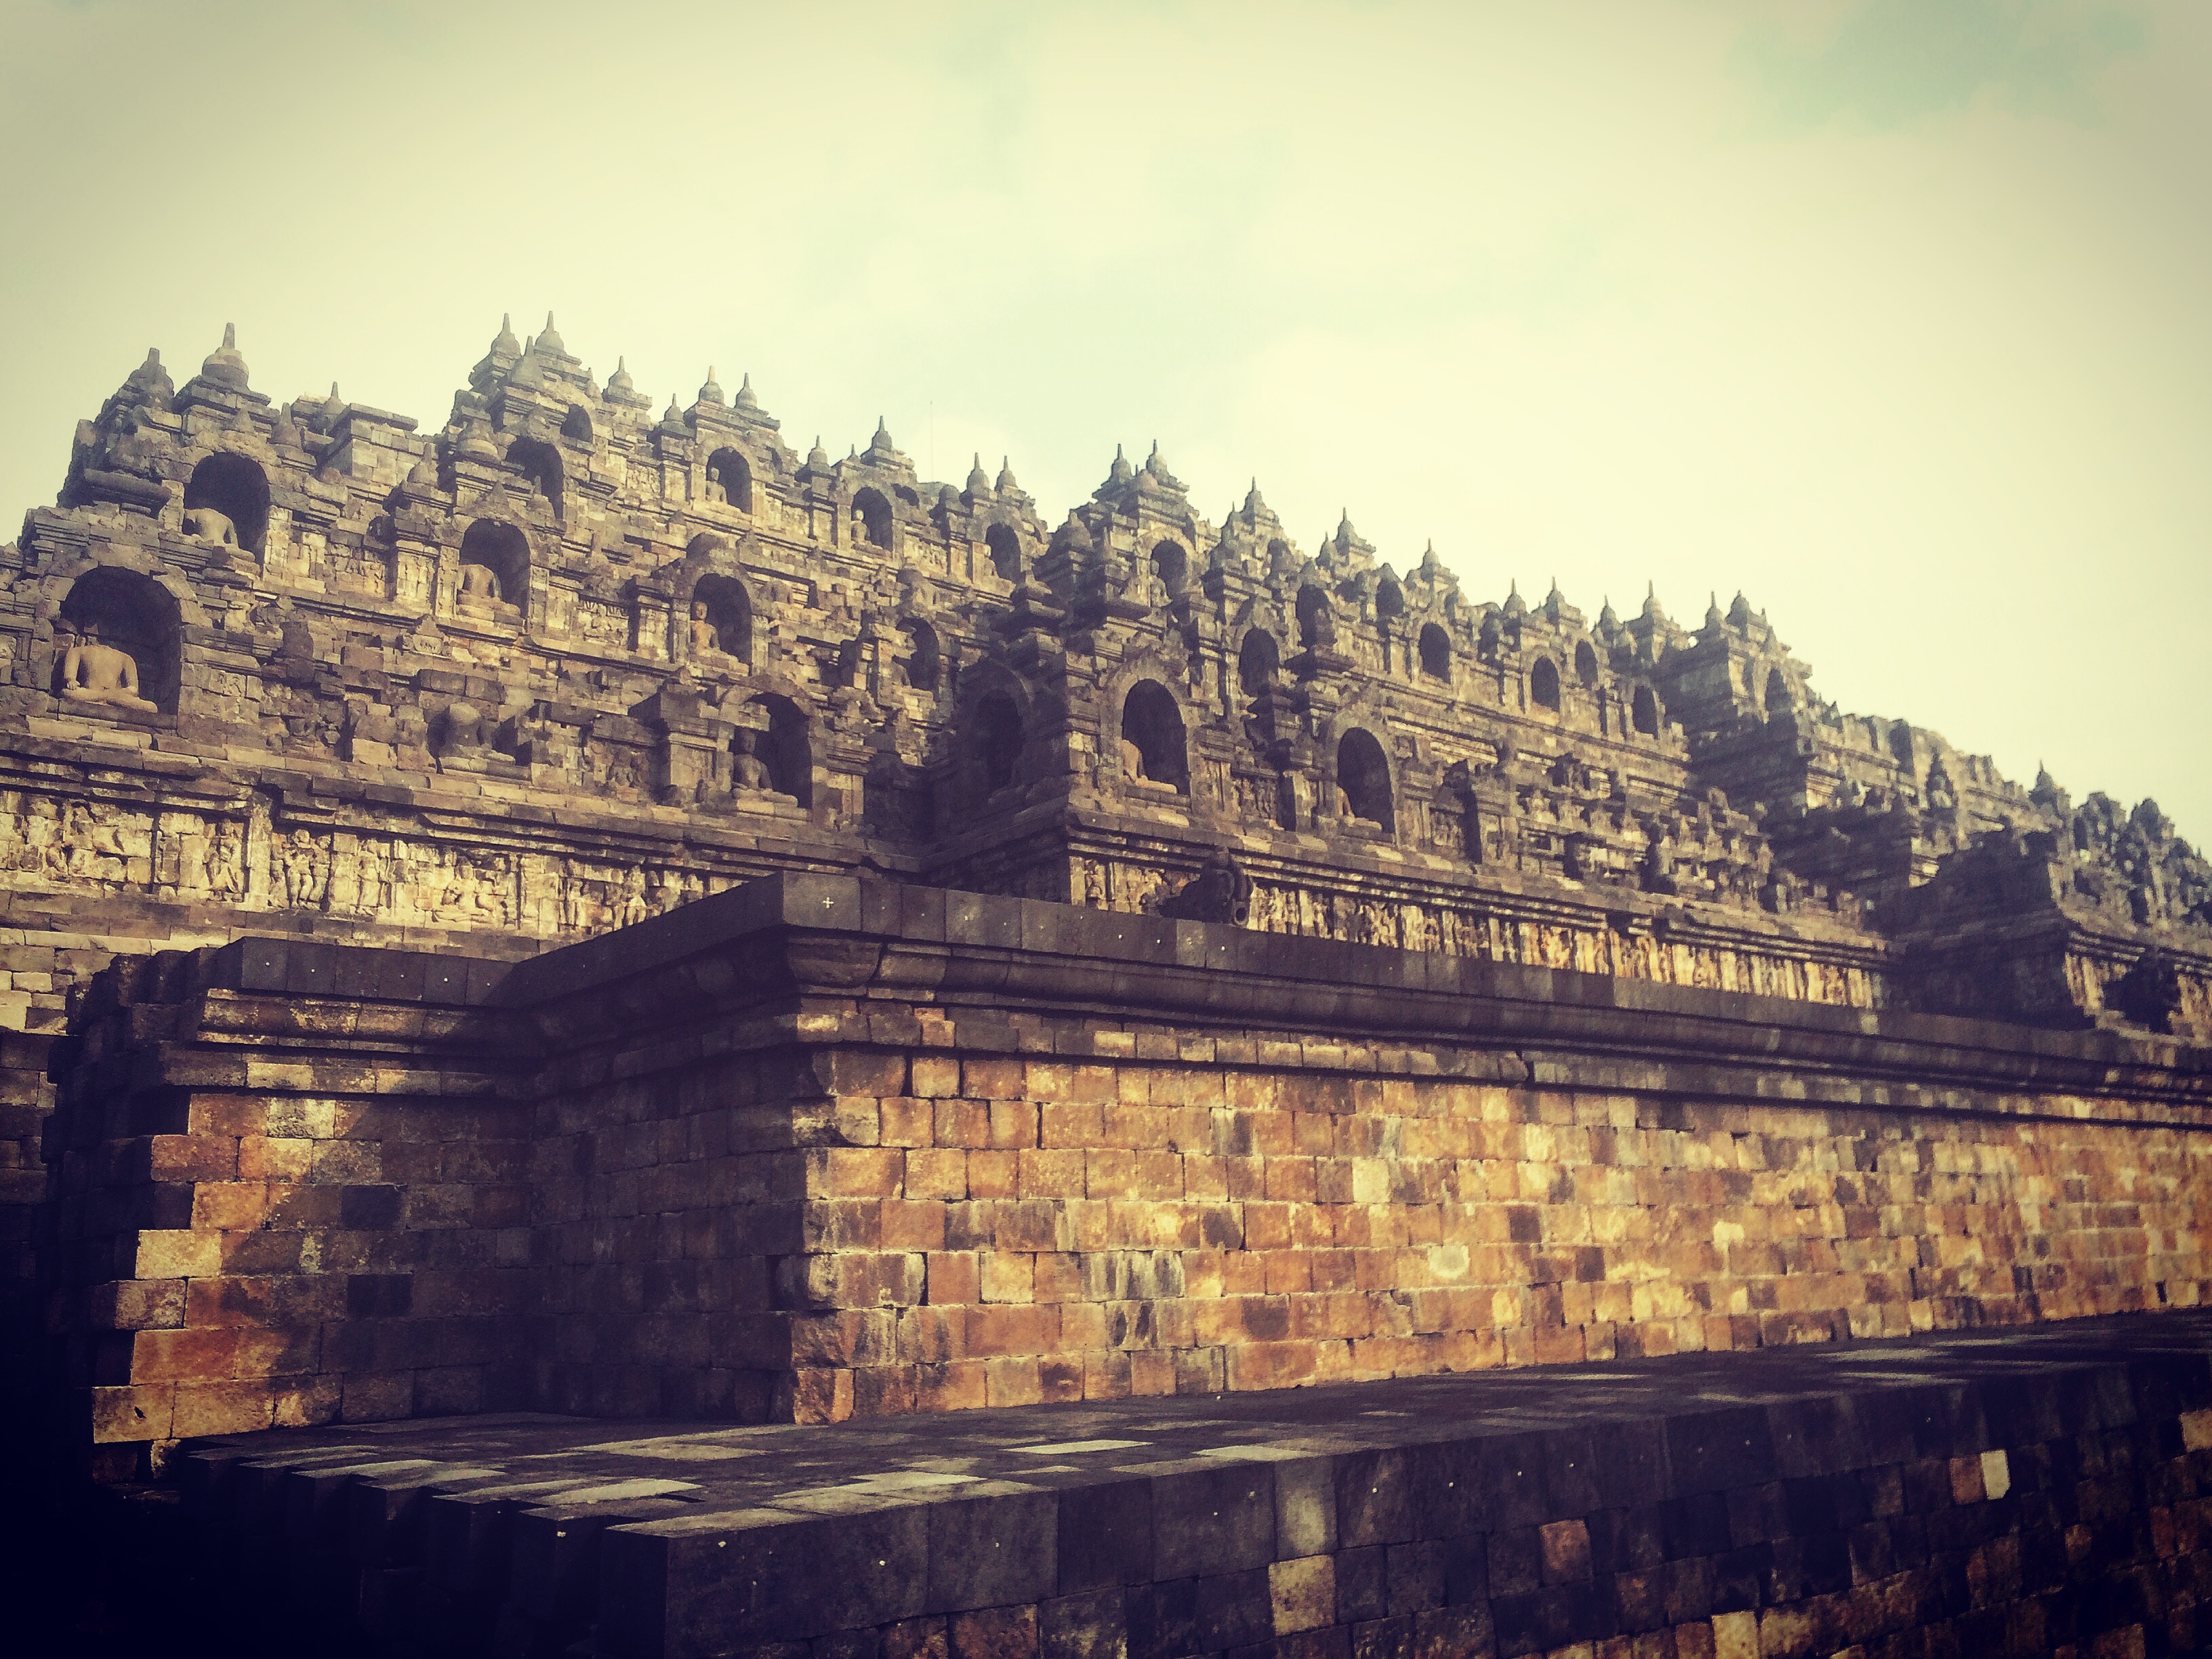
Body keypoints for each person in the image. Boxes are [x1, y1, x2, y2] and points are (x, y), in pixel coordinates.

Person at [60, 622, 157, 712]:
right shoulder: (77, 651)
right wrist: (71, 681)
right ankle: (104, 698)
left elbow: (133, 690)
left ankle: (103, 699)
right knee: (68, 693)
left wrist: (112, 694)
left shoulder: (126, 658)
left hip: (116, 697)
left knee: (151, 707)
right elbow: (70, 679)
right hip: (90, 693)